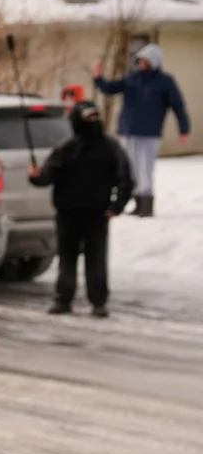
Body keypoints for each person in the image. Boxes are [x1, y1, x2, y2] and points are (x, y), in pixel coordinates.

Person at [28, 101, 133, 318]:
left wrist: (116, 206)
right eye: (89, 118)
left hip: (95, 213)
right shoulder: (67, 148)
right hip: (70, 213)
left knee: (93, 259)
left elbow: (126, 179)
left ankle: (96, 302)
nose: (92, 122)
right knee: (69, 258)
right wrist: (36, 176)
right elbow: (47, 177)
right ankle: (65, 300)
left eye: (94, 117)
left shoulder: (106, 147)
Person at [92, 43, 189, 217]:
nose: (142, 63)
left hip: (149, 133)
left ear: (154, 62)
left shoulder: (165, 82)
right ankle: (136, 202)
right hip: (128, 130)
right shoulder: (132, 79)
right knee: (131, 168)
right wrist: (98, 78)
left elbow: (178, 106)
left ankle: (146, 204)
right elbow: (110, 88)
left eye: (145, 60)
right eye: (140, 60)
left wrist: (184, 128)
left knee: (145, 168)